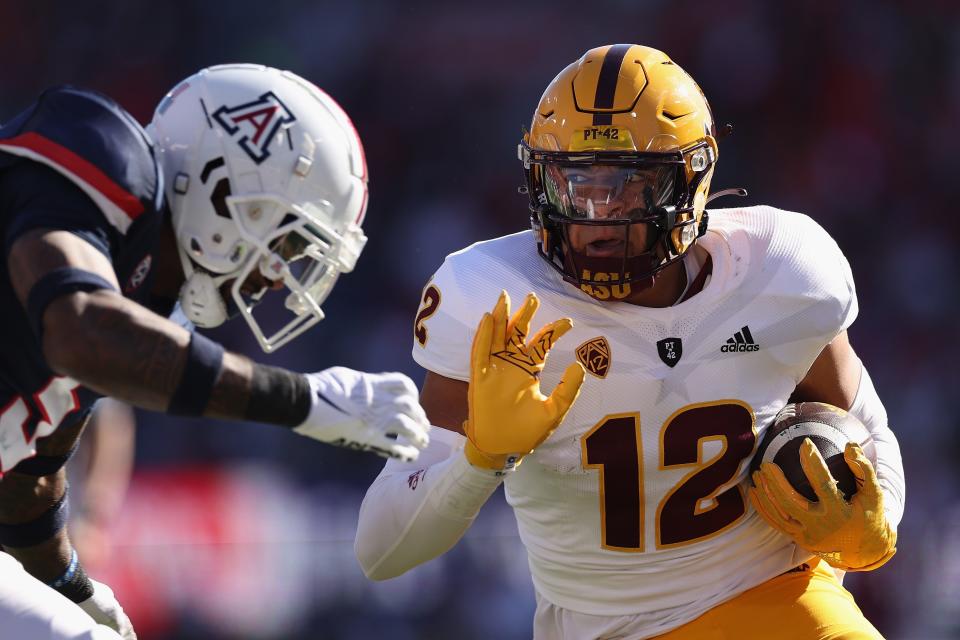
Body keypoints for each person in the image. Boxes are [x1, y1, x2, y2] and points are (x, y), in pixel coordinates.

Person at [354, 44, 905, 639]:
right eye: (576, 183)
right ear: (540, 181)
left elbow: (867, 432)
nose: (596, 215)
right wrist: (480, 459)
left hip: (775, 596)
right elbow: (382, 552)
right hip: (601, 627)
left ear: (692, 178)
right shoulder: (492, 297)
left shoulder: (783, 268)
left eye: (630, 186)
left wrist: (874, 527)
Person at [0, 64, 430, 639]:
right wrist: (301, 401)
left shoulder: (140, 293)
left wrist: (68, 584)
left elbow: (28, 477)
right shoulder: (105, 150)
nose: (279, 277)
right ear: (223, 190)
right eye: (288, 240)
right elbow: (82, 331)